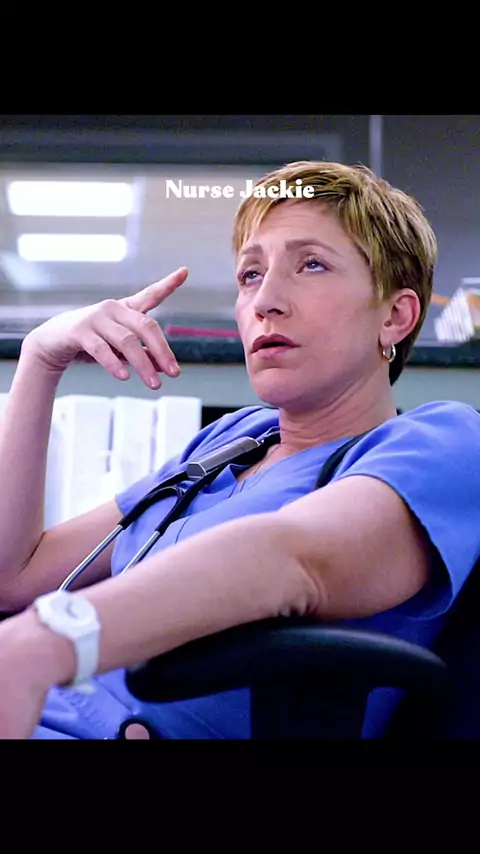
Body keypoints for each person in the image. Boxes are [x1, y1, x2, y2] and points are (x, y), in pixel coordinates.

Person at [0, 159, 479, 740]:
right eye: (251, 274)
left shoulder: (443, 441)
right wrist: (40, 360)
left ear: (396, 317)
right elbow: (16, 575)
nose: (265, 300)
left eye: (311, 264)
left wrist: (50, 639)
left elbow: (294, 561)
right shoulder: (232, 442)